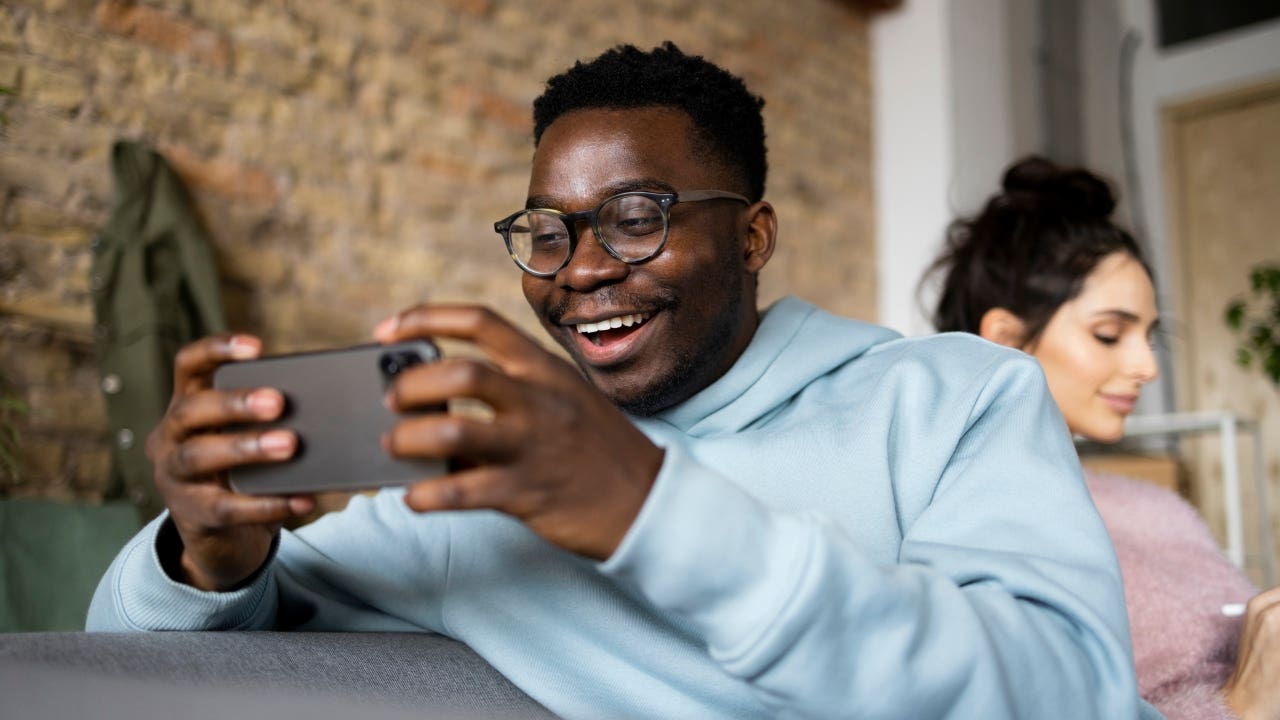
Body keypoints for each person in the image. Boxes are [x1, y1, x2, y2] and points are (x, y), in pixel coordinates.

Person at [89, 43, 1158, 719]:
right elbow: (112, 667)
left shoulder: (954, 396)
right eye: (546, 231)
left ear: (751, 235)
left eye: (637, 217)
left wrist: (642, 505)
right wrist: (208, 556)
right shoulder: (477, 498)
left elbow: (1068, 691)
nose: (583, 268)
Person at [924, 155, 1280, 720]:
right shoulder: (957, 533)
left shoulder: (1155, 506)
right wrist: (1238, 707)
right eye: (1110, 334)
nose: (1146, 366)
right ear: (1007, 341)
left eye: (1149, 337)